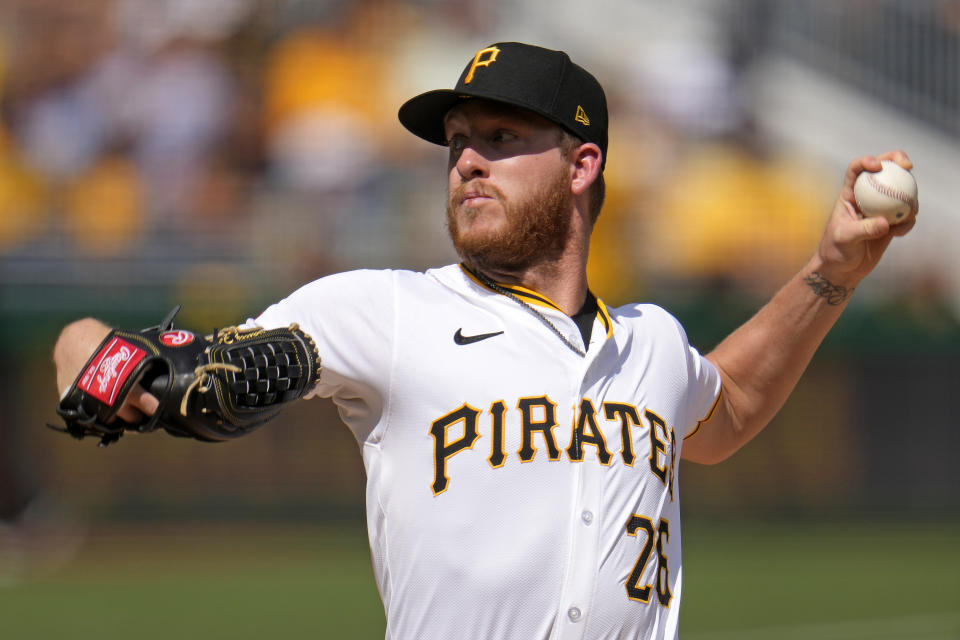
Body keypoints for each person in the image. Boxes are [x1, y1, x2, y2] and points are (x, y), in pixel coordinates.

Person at [52, 42, 917, 639]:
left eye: (501, 139)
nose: (467, 160)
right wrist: (104, 366)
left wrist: (832, 270)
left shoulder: (651, 342)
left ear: (582, 165)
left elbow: (725, 415)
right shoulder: (384, 313)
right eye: (458, 143)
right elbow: (139, 362)